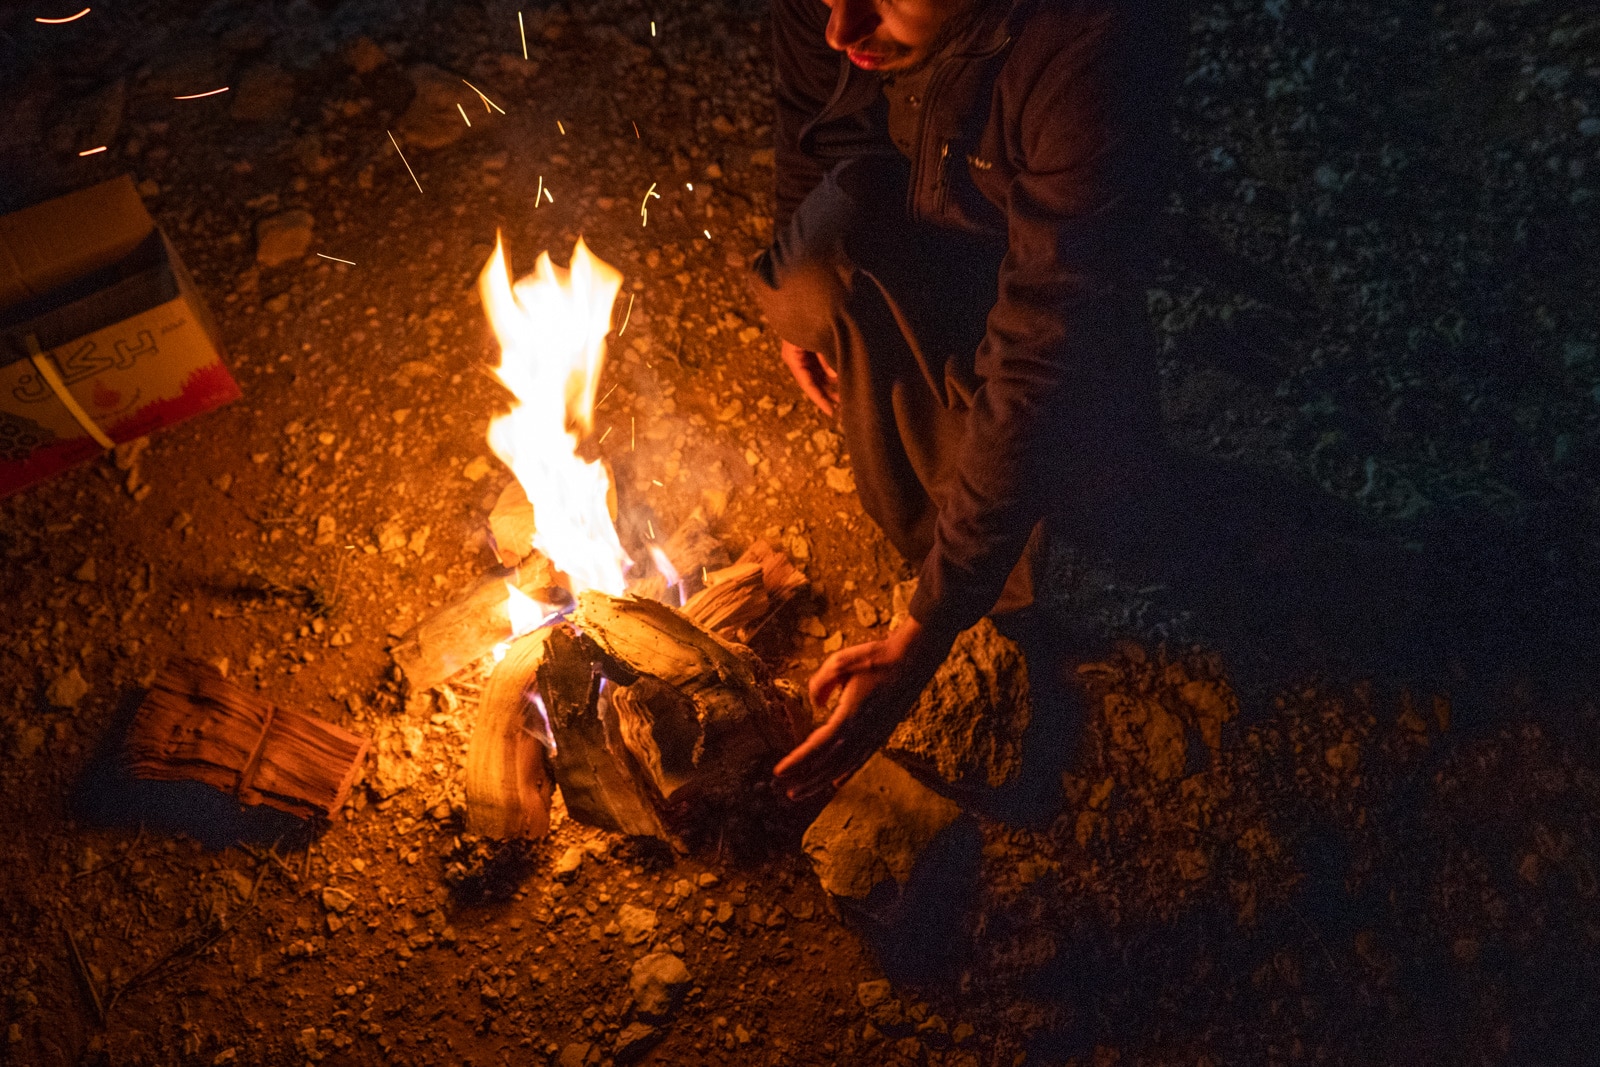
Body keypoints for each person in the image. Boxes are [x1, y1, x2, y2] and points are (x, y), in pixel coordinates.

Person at [754, 0, 1186, 801]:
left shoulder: (1092, 44)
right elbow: (810, 119)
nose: (839, 31)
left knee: (1081, 488)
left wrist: (927, 629)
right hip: (928, 180)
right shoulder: (846, 18)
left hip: (1039, 241)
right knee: (804, 284)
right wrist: (799, 268)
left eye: (886, 0)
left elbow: (1040, 344)